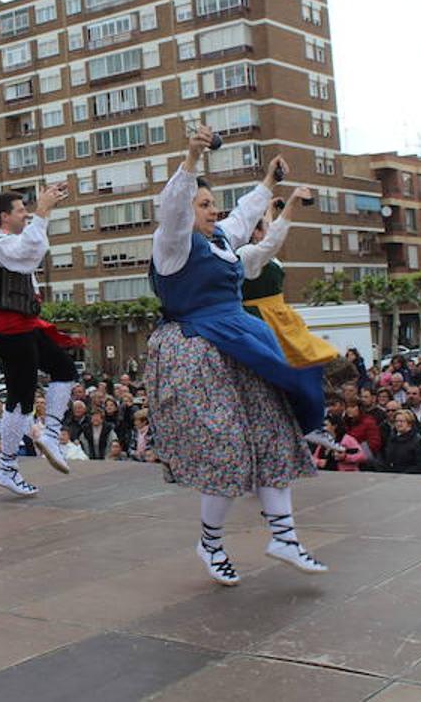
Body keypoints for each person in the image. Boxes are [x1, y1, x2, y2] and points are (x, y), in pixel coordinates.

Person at [145, 127, 327, 587]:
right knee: (225, 447)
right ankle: (210, 543)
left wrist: (270, 183)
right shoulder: (173, 246)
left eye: (211, 205)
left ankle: (284, 536)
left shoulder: (222, 243)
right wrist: (191, 158)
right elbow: (173, 210)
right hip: (198, 351)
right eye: (204, 204)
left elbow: (248, 220)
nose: (213, 210)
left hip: (240, 343)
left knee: (272, 432)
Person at [0, 183, 82, 498]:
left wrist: (41, 213)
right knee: (20, 399)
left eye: (27, 210)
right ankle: (7, 467)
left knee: (65, 369)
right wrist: (43, 211)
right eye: (21, 210)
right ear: (4, 216)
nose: (26, 214)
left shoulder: (11, 241)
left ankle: (50, 432)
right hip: (11, 330)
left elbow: (30, 251)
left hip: (27, 325)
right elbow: (30, 251)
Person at [239, 189, 339, 376]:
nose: (268, 229)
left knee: (307, 353)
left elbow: (269, 233)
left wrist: (269, 208)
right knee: (294, 359)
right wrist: (292, 202)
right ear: (254, 233)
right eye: (263, 228)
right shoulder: (246, 254)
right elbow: (272, 239)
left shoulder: (259, 253)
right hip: (263, 318)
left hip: (277, 314)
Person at [380, 410, 421, 474]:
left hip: (408, 478)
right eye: (396, 421)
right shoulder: (392, 439)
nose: (398, 424)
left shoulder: (417, 441)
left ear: (409, 423)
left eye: (401, 421)